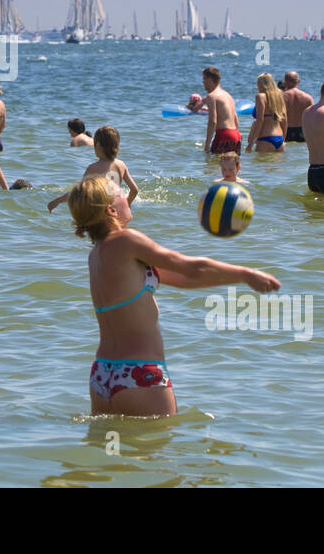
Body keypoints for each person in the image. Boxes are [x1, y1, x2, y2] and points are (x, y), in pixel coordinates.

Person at [68, 175, 280, 416]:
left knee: (110, 449)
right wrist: (245, 273)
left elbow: (185, 278)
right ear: (111, 210)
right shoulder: (127, 239)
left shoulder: (97, 254)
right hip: (140, 373)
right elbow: (192, 268)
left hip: (103, 374)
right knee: (160, 450)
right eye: (121, 193)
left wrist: (237, 280)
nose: (128, 197)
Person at [48, 125, 137, 211]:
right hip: (116, 210)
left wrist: (57, 201)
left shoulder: (93, 168)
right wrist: (127, 204)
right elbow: (134, 190)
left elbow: (79, 192)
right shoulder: (121, 165)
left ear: (97, 145)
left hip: (102, 212)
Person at [201, 67, 241, 154]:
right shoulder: (228, 96)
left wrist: (207, 143)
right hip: (236, 134)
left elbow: (213, 121)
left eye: (204, 79)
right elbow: (236, 120)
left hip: (224, 135)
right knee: (233, 166)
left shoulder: (212, 96)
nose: (203, 82)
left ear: (210, 80)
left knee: (214, 165)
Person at [247, 73, 287, 152]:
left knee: (262, 164)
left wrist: (250, 143)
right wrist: (283, 139)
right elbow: (285, 120)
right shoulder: (279, 96)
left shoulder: (260, 96)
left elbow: (260, 120)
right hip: (279, 138)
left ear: (261, 84)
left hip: (265, 138)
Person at [282, 72, 312, 143]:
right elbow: (313, 117)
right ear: (298, 81)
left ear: (285, 81)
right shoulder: (308, 97)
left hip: (285, 131)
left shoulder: (281, 97)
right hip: (303, 132)